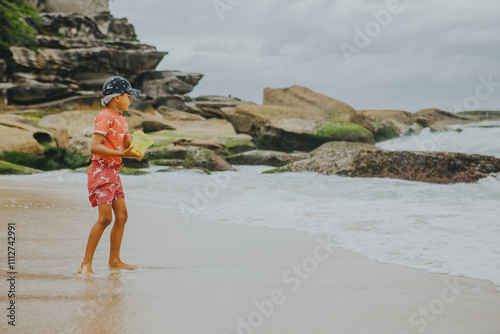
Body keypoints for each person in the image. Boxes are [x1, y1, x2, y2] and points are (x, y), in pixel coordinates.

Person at [78, 76, 143, 275]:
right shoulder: (105, 116)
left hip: (114, 173)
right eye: (128, 96)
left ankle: (114, 260)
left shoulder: (122, 119)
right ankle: (85, 264)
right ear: (116, 97)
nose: (131, 100)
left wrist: (137, 147)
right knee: (105, 219)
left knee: (122, 216)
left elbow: (126, 147)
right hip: (101, 171)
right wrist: (123, 154)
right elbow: (94, 146)